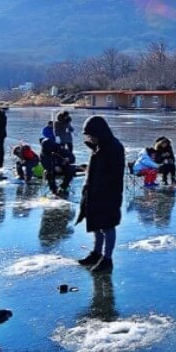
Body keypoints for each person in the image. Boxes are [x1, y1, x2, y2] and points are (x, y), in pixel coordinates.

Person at [75, 116, 125, 274]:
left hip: (108, 194)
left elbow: (114, 174)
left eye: (91, 135)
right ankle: (97, 254)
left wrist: (102, 189)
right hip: (94, 193)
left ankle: (107, 259)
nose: (89, 138)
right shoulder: (99, 147)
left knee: (107, 226)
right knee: (96, 224)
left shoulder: (114, 148)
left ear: (100, 133)